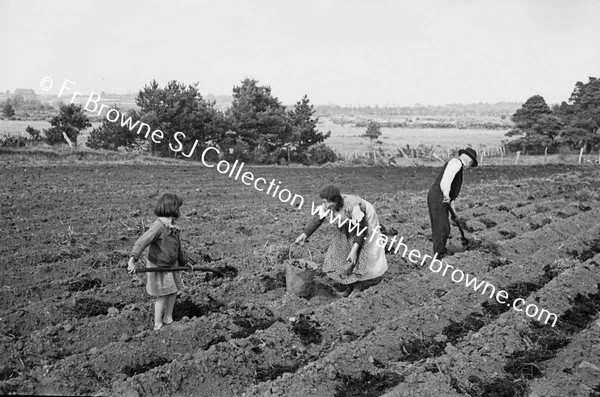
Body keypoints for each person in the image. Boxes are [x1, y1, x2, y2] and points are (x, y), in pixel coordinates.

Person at [295, 185, 388, 298]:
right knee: (342, 249)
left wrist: (354, 250)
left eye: (328, 202)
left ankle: (357, 288)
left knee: (358, 254)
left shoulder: (354, 207)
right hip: (348, 222)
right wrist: (305, 235)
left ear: (336, 201)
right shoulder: (327, 205)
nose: (326, 205)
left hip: (364, 222)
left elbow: (360, 231)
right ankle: (348, 286)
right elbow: (317, 220)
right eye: (324, 202)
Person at [127, 193, 188, 330]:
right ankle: (157, 324)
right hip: (159, 266)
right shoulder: (159, 226)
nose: (179, 210)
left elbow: (178, 248)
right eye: (178, 207)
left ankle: (168, 317)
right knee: (162, 295)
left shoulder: (174, 227)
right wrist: (132, 259)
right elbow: (142, 241)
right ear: (172, 208)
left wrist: (184, 262)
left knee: (173, 291)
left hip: (171, 265)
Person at [427, 147, 478, 259]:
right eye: (471, 165)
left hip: (441, 196)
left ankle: (441, 251)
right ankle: (439, 254)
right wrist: (446, 197)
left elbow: (452, 194)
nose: (469, 168)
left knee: (445, 227)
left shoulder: (457, 165)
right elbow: (445, 182)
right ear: (469, 161)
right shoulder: (456, 163)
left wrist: (453, 210)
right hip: (438, 195)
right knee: (441, 226)